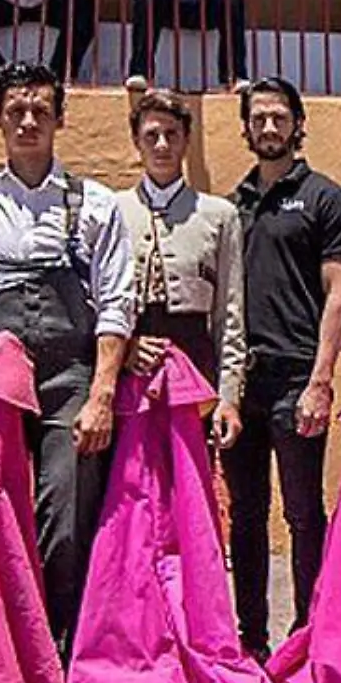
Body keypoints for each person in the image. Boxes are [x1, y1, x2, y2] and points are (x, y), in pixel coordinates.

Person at [0, 62, 136, 659]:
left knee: (64, 514)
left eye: (39, 110)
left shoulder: (96, 204)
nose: (27, 121)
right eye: (15, 111)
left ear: (60, 118)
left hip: (68, 378)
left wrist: (102, 392)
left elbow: (115, 304)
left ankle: (60, 652)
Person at [225, 78, 341, 659]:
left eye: (281, 117)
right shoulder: (234, 203)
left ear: (299, 125)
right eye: (259, 119)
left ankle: (310, 634)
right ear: (247, 128)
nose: (270, 128)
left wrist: (321, 381)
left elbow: (339, 294)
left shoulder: (326, 199)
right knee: (247, 517)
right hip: (243, 379)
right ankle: (250, 639)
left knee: (304, 513)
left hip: (297, 379)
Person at [114, 89, 246, 437]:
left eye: (171, 134)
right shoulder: (113, 210)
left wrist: (228, 395)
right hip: (128, 359)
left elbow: (228, 314)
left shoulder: (219, 215)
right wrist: (124, 349)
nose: (161, 145)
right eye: (151, 136)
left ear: (186, 140)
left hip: (193, 358)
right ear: (136, 142)